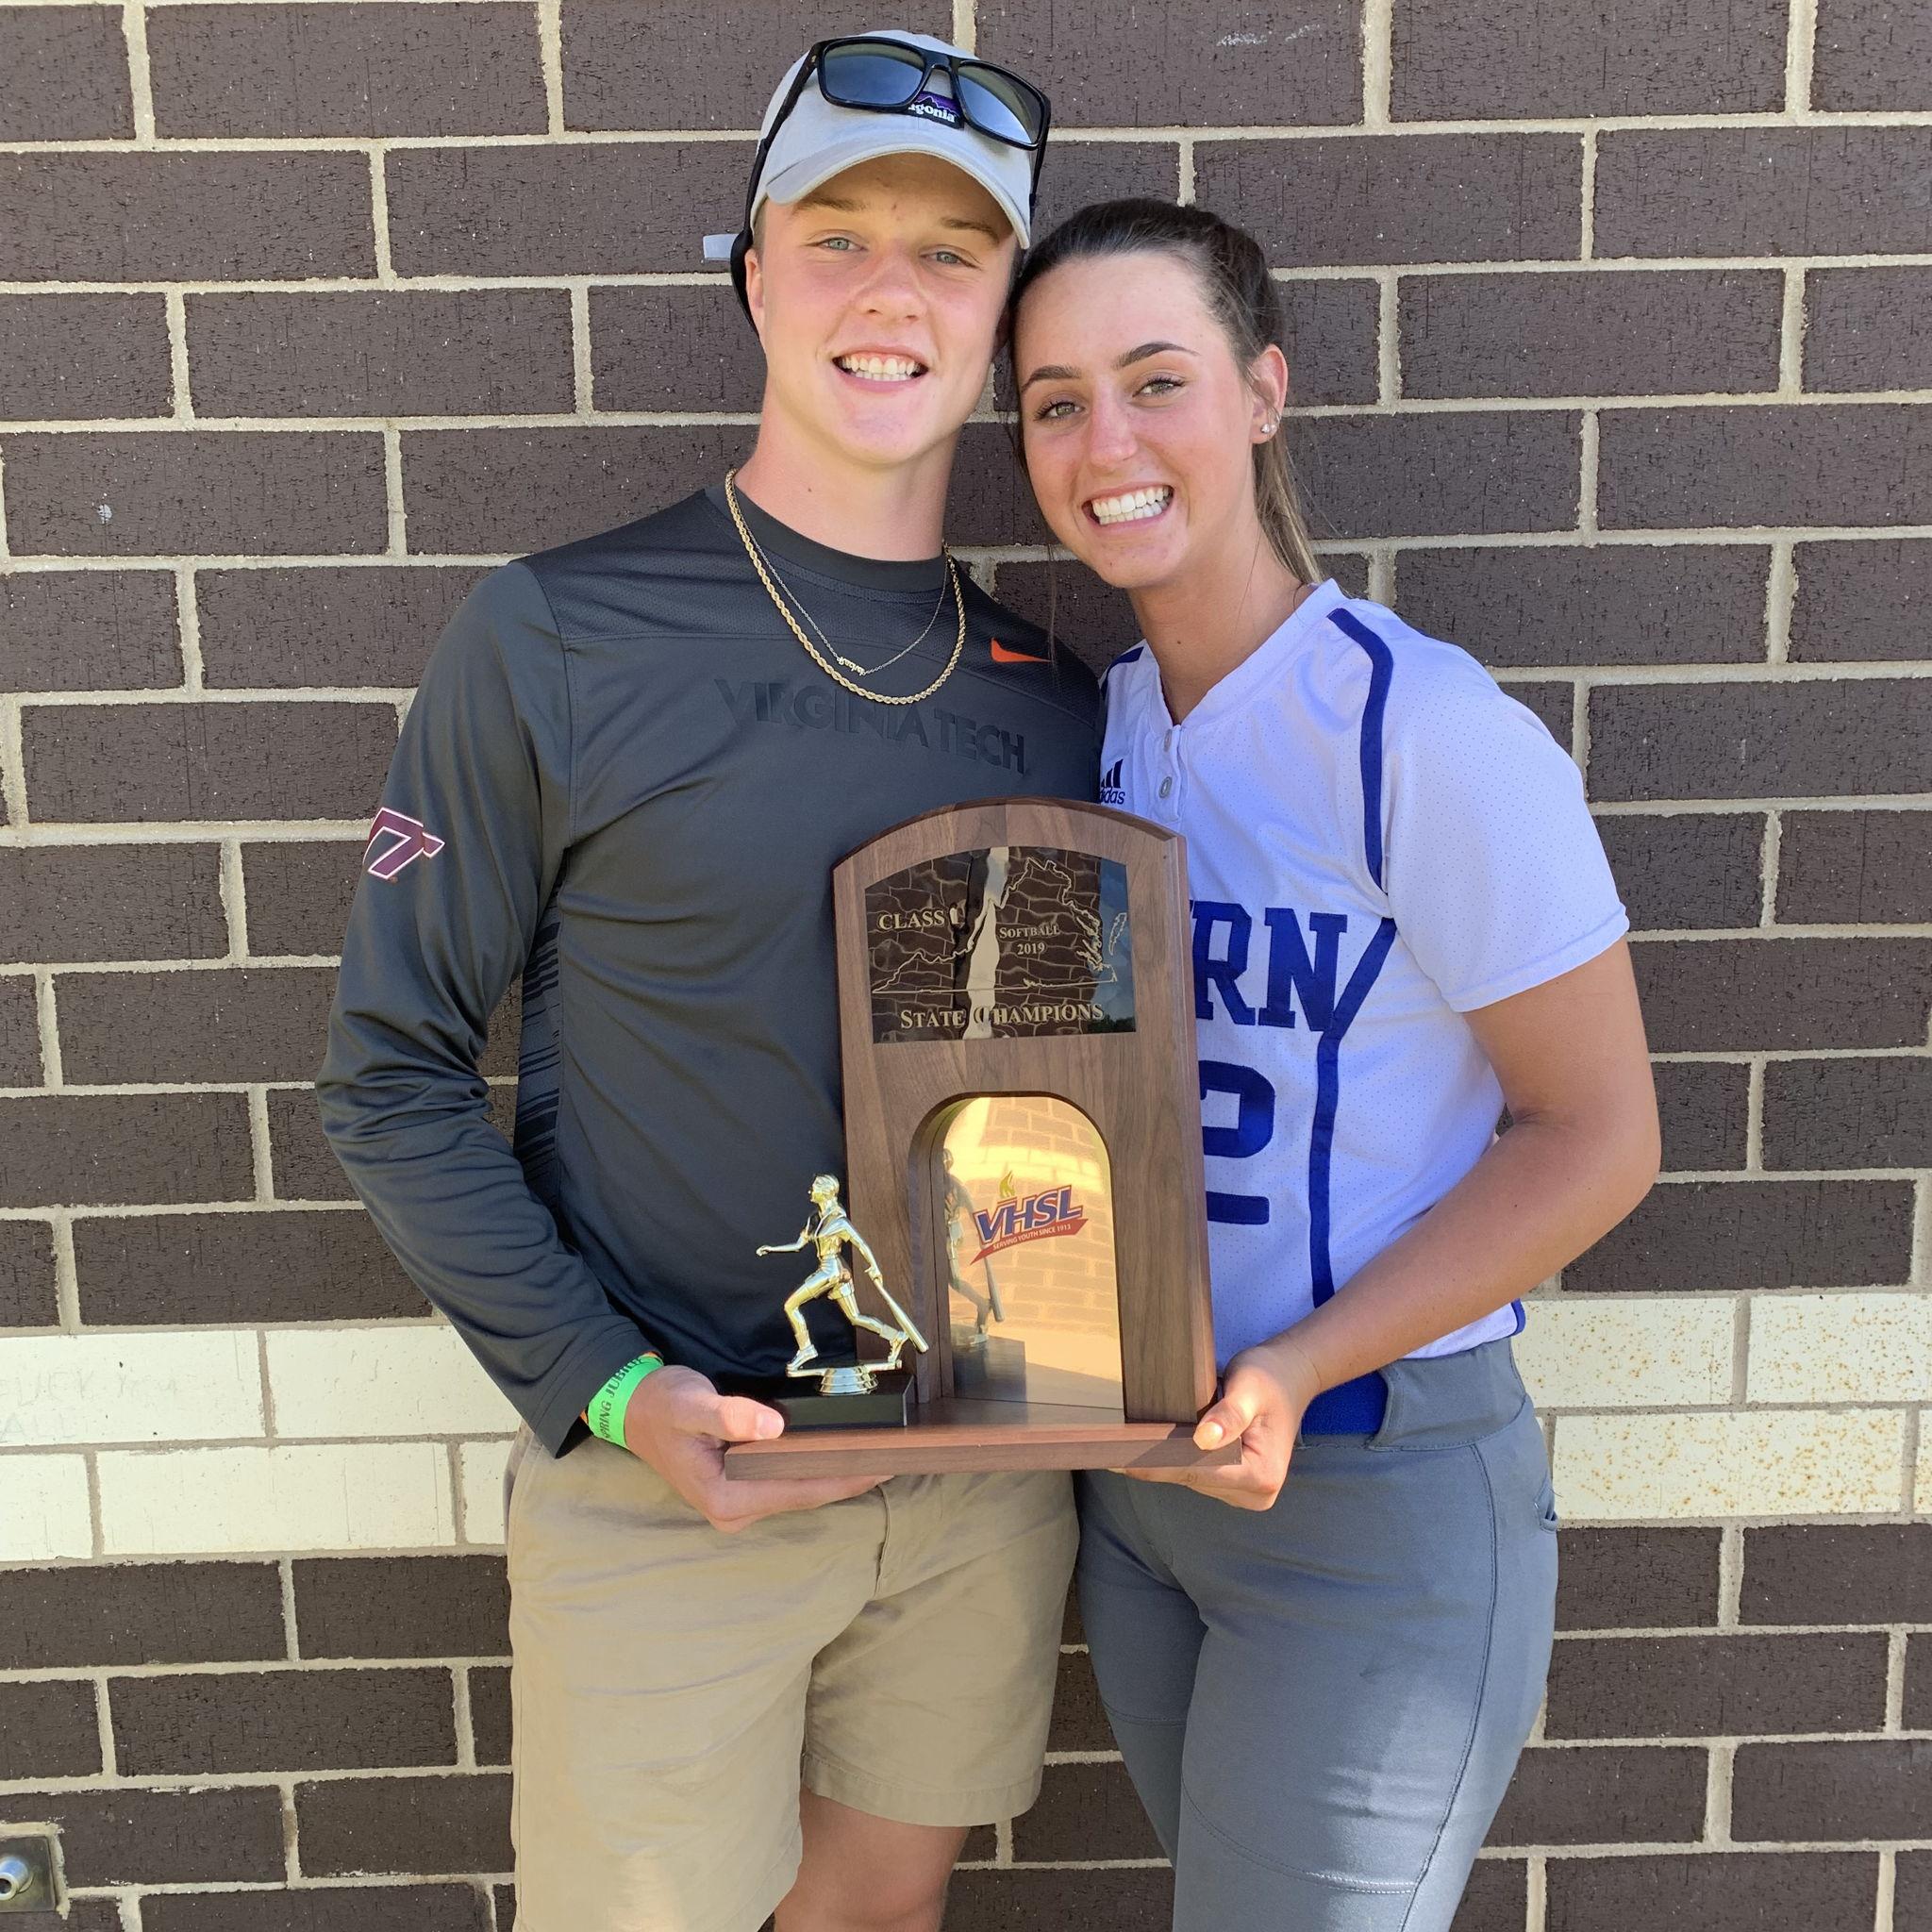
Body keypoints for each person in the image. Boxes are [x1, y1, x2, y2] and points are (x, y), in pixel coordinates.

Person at [317, 34, 1094, 1932]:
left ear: (1001, 317)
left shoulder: (1061, 699)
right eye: (836, 239)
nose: (890, 293)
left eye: (952, 251)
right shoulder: (560, 632)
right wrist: (605, 1391)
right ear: (752, 274)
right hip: (678, 1479)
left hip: (975, 1483)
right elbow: (390, 1073)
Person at [1006, 198, 1661, 1932]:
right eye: (1057, 401)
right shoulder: (1114, 724)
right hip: (1147, 1496)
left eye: (1159, 381)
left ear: (1265, 391)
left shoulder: (1423, 731)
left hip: (1367, 1481)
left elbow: (1598, 1137)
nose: (1109, 442)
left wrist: (1299, 1367)